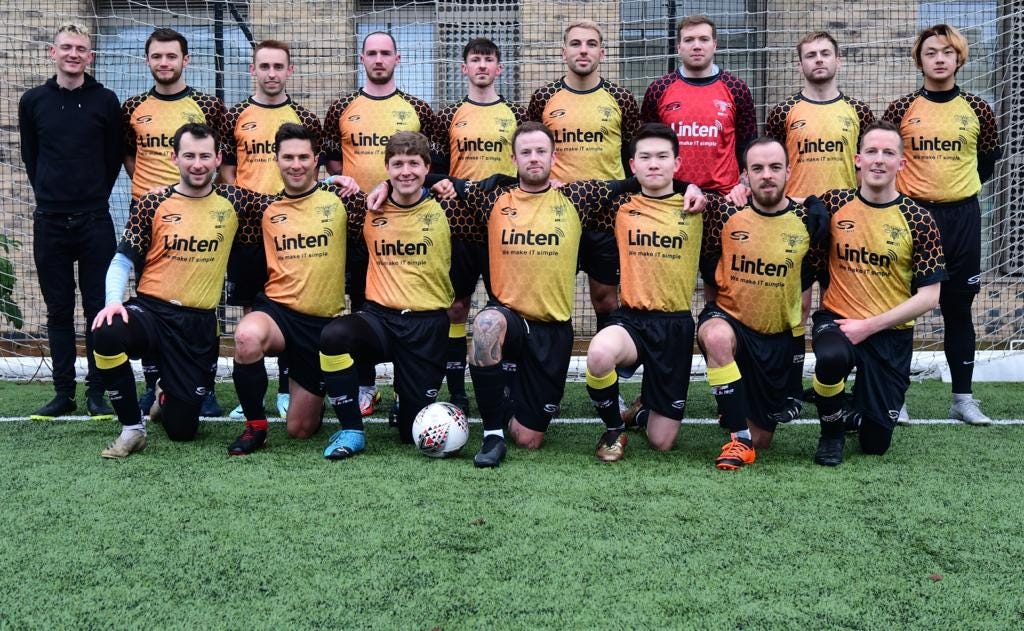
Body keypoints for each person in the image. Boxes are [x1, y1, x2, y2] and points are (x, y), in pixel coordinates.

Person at [448, 122, 701, 467]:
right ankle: (492, 435)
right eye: (526, 152)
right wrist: (387, 186)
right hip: (511, 319)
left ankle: (513, 401)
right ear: (513, 158)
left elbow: (638, 182)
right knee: (487, 322)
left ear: (554, 156)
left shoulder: (578, 197)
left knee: (529, 439)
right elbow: (439, 185)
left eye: (541, 151)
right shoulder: (491, 197)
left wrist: (691, 186)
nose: (534, 158)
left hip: (553, 331)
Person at [90, 123, 265, 458]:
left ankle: (165, 396)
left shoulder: (235, 200)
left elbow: (288, 199)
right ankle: (132, 428)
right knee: (106, 331)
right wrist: (113, 302)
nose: (196, 164)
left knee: (182, 430)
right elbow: (122, 259)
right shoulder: (153, 202)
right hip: (151, 311)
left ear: (218, 159)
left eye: (204, 156)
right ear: (174, 158)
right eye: (189, 156)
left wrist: (334, 182)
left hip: (197, 325)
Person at [318, 131, 476, 459]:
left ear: (427, 166)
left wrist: (439, 181)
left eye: (414, 164)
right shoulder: (369, 208)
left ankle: (405, 398)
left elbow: (497, 188)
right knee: (334, 336)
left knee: (410, 432)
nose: (406, 171)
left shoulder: (448, 208)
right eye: (397, 164)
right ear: (386, 168)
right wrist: (340, 178)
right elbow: (314, 191)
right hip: (380, 319)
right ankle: (351, 430)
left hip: (428, 324)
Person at [883, 24, 1002, 426]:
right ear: (920, 59)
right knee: (901, 309)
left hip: (962, 217)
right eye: (931, 51)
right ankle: (895, 397)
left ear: (958, 59)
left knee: (958, 308)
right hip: (912, 217)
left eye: (946, 52)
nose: (939, 58)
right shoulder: (901, 109)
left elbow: (986, 162)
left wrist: (954, 188)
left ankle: (963, 398)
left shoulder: (979, 109)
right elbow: (885, 159)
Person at [811, 121, 946, 466]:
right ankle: (832, 434)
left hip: (890, 335)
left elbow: (930, 297)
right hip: (838, 320)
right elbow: (786, 203)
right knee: (830, 359)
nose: (878, 160)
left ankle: (855, 409)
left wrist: (869, 326)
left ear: (901, 164)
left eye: (888, 153)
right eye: (871, 151)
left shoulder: (918, 219)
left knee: (875, 443)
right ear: (857, 159)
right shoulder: (834, 202)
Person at [761, 30, 876, 423]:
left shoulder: (858, 111)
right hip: (795, 223)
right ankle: (790, 389)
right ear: (801, 64)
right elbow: (773, 162)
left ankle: (847, 389)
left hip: (846, 224)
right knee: (797, 305)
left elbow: (870, 167)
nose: (818, 60)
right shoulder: (784, 112)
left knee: (847, 305)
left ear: (838, 60)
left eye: (825, 53)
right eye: (810, 55)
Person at [226, 124, 361, 456]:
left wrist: (336, 181)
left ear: (317, 159)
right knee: (245, 336)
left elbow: (392, 194)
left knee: (300, 430)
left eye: (303, 157)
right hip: (277, 314)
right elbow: (218, 190)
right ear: (277, 160)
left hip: (320, 326)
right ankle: (255, 428)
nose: (296, 164)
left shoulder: (341, 200)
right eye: (288, 157)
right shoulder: (266, 208)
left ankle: (320, 396)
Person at [323, 31, 436, 417]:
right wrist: (360, 194)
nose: (378, 59)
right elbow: (333, 162)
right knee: (363, 298)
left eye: (385, 53)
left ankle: (414, 384)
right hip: (362, 219)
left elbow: (430, 165)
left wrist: (391, 184)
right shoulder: (342, 106)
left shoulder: (418, 108)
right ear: (361, 58)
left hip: (410, 218)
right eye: (371, 53)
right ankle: (365, 385)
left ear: (398, 58)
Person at [696, 138, 827, 469]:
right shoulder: (725, 211)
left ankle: (743, 419)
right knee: (715, 336)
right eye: (757, 168)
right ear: (745, 175)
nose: (766, 175)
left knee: (764, 440)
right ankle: (739, 440)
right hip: (731, 320)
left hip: (775, 337)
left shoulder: (808, 219)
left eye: (774, 167)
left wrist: (813, 200)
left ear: (788, 171)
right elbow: (688, 195)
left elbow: (805, 286)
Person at [18, 23, 122, 420]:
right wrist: (52, 194)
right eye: (66, 47)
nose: (73, 54)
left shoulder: (106, 101)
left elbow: (113, 159)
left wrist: (90, 193)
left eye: (81, 48)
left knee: (100, 309)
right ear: (53, 52)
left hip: (95, 220)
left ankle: (99, 392)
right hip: (49, 222)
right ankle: (64, 393)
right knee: (58, 310)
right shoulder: (33, 101)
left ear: (90, 57)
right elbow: (32, 157)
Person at [583, 123, 704, 463]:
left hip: (675, 325)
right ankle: (612, 430)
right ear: (633, 165)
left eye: (663, 157)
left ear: (677, 164)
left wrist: (691, 187)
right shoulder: (619, 206)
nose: (654, 164)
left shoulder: (697, 207)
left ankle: (638, 413)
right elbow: (583, 193)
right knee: (599, 354)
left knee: (661, 442)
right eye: (645, 157)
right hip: (632, 320)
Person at [122, 27, 227, 416]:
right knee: (151, 301)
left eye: (171, 56)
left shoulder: (207, 105)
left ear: (186, 60)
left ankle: (207, 384)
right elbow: (131, 158)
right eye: (157, 57)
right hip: (150, 219)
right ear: (147, 61)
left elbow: (219, 159)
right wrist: (155, 197)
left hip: (202, 215)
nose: (164, 63)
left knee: (205, 301)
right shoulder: (132, 107)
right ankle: (153, 384)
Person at [221, 39, 324, 422]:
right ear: (253, 70)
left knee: (291, 302)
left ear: (289, 71)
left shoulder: (305, 119)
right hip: (250, 228)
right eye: (264, 66)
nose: (271, 73)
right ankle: (253, 394)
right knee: (254, 309)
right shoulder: (235, 115)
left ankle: (286, 388)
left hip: (293, 227)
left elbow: (316, 171)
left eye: (278, 67)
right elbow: (227, 168)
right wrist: (242, 198)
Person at [527, 21, 641, 343]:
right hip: (559, 212)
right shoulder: (544, 98)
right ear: (563, 52)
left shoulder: (620, 98)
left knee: (605, 296)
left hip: (608, 213)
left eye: (591, 44)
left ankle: (609, 382)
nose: (583, 50)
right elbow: (532, 150)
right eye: (575, 44)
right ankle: (545, 372)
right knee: (549, 295)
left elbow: (632, 157)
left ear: (602, 53)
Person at [432, 38, 526, 414]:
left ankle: (506, 388)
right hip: (459, 225)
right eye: (475, 60)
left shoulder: (516, 113)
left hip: (505, 225)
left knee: (505, 307)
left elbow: (527, 168)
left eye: (489, 60)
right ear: (464, 68)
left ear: (499, 68)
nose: (483, 66)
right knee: (456, 307)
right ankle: (457, 391)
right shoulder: (450, 114)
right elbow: (436, 170)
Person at [640, 15, 756, 198]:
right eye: (689, 40)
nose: (696, 46)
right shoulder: (658, 89)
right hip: (673, 195)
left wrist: (743, 184)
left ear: (714, 45)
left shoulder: (737, 88)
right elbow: (646, 146)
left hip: (725, 197)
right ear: (678, 47)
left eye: (704, 39)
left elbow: (749, 146)